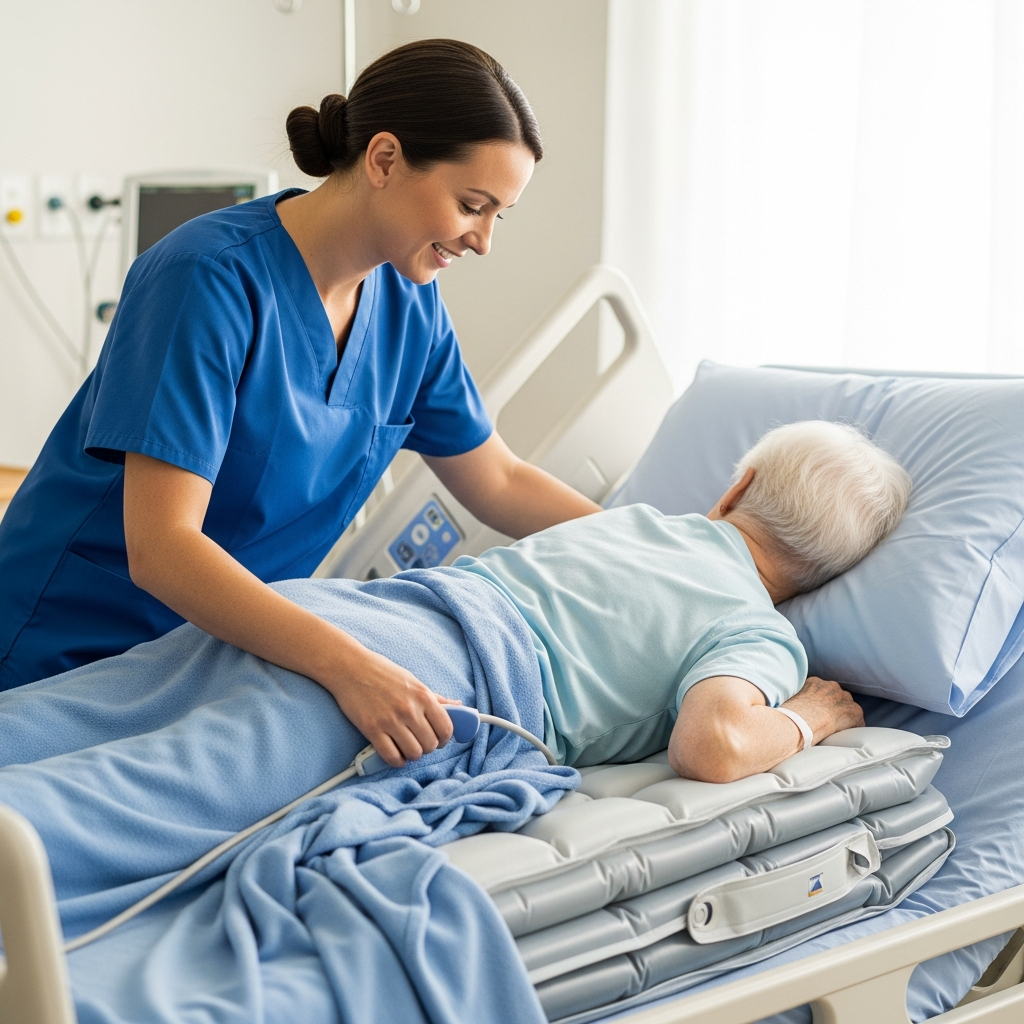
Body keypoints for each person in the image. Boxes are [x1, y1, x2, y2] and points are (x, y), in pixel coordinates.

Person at [0, 40, 600, 757]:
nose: (483, 241)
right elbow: (163, 548)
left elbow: (498, 480)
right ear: (383, 160)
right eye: (473, 206)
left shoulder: (411, 312)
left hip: (210, 662)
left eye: (500, 215)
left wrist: (658, 543)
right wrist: (353, 666)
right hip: (66, 654)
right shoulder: (205, 279)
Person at [454, 420, 913, 781]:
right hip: (464, 690)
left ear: (739, 489)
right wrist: (810, 716)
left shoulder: (631, 521)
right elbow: (714, 745)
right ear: (827, 576)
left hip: (410, 608)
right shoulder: (759, 634)